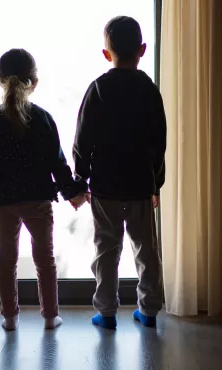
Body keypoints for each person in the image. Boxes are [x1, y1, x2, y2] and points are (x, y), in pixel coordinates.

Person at [0, 49, 87, 331]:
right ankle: (50, 316)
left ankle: (10, 318)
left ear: (1, 80)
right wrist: (74, 192)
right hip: (38, 200)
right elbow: (58, 163)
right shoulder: (42, 119)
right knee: (44, 260)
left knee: (7, 260)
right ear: (34, 81)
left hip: (4, 201)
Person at [73, 16, 167, 329]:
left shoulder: (98, 88)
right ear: (142, 49)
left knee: (106, 250)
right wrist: (157, 184)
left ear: (106, 53)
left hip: (105, 186)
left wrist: (81, 178)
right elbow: (159, 140)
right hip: (140, 183)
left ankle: (107, 311)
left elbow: (83, 139)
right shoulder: (149, 90)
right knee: (145, 250)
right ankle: (149, 310)